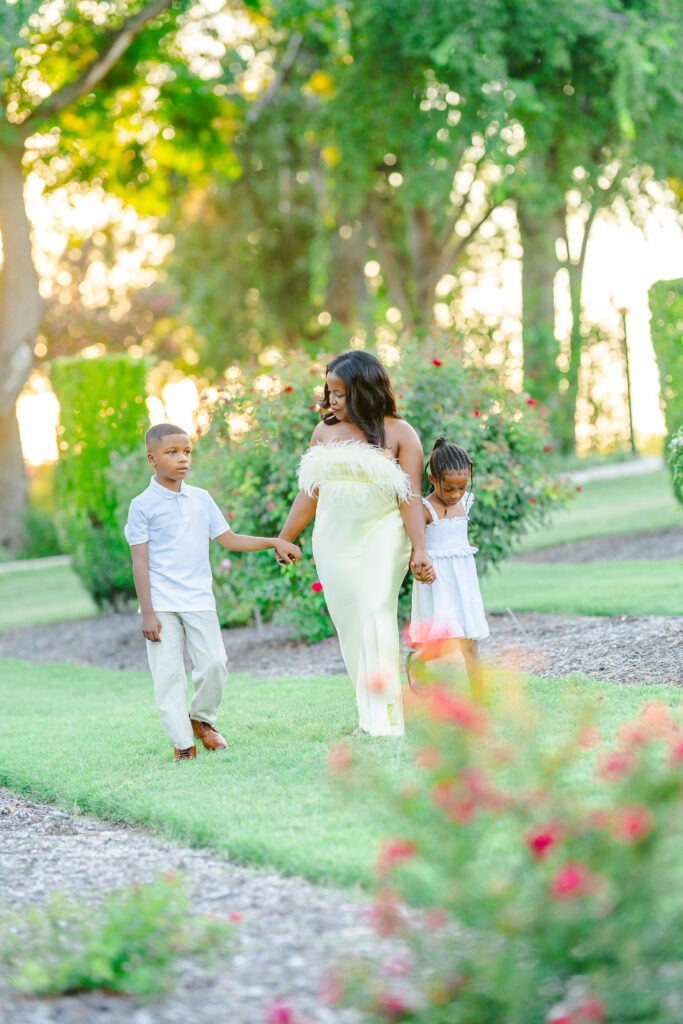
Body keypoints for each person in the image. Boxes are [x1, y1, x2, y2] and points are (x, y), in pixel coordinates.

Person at [277, 350, 434, 737]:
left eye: (341, 394)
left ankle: (388, 720)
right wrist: (285, 536)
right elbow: (308, 493)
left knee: (376, 611)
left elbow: (410, 496)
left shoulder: (399, 432)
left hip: (383, 536)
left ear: (365, 391)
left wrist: (419, 548)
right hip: (333, 542)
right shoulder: (324, 432)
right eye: (329, 392)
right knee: (350, 627)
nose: (332, 401)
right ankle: (370, 715)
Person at [125, 423, 301, 761]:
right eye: (172, 452)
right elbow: (139, 562)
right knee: (168, 675)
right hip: (160, 604)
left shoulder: (201, 499)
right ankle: (183, 746)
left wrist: (274, 542)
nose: (182, 459)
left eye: (187, 451)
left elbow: (229, 539)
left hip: (198, 600)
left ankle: (201, 720)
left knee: (215, 664)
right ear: (152, 458)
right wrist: (147, 611)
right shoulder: (142, 505)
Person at [408, 436, 489, 703]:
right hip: (439, 582)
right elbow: (416, 552)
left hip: (462, 581)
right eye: (449, 488)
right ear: (433, 480)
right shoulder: (425, 508)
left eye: (461, 487)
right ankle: (417, 660)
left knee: (470, 640)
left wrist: (461, 494)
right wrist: (420, 569)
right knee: (448, 638)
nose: (456, 494)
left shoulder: (465, 502)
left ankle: (480, 697)